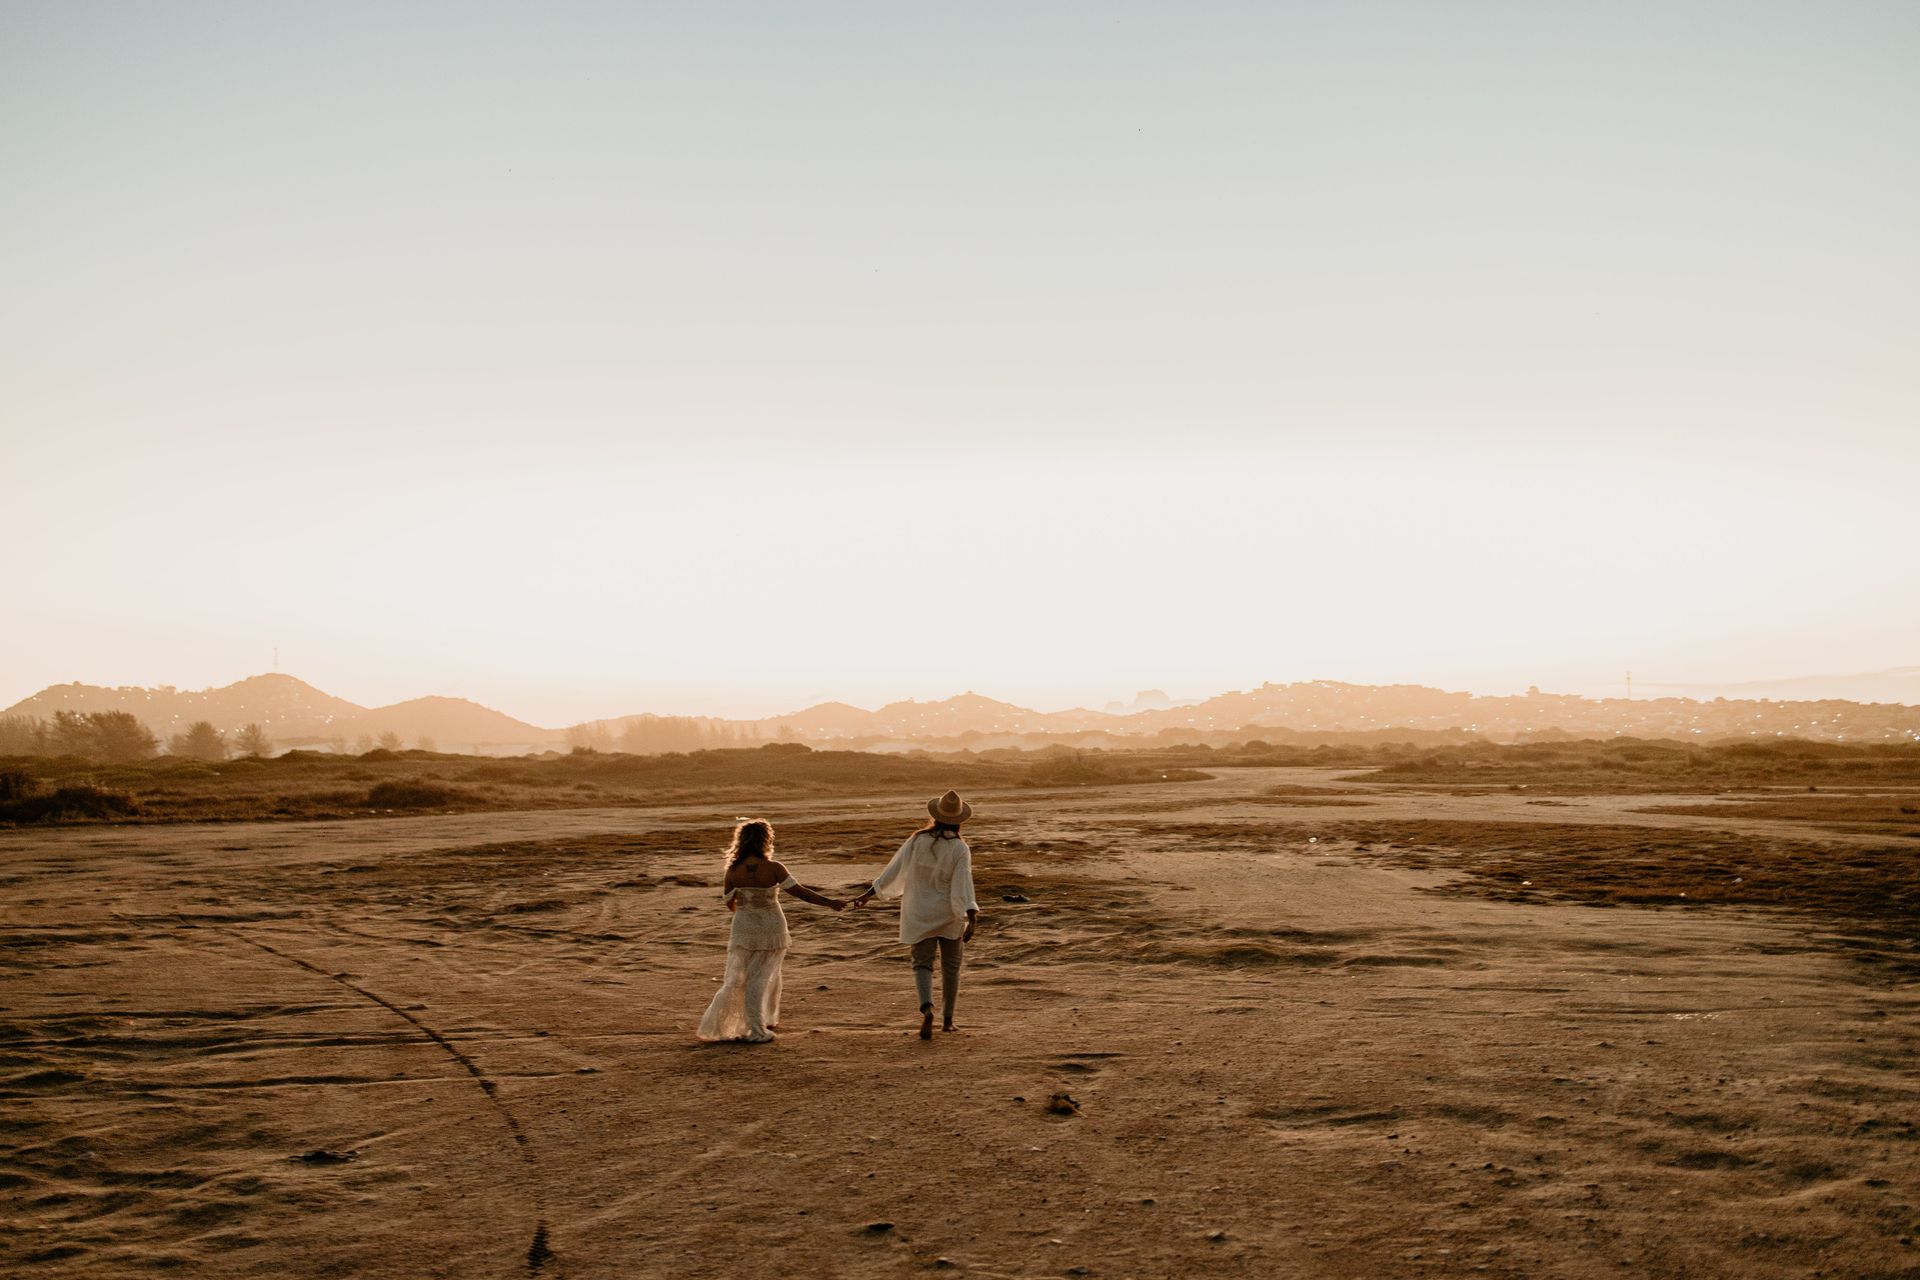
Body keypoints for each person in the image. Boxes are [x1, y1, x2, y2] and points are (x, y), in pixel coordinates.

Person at [697, 818, 845, 1043]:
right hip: (771, 926)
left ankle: (754, 1021)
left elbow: (729, 902)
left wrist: (747, 910)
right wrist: (830, 902)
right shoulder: (774, 868)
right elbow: (801, 893)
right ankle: (757, 1029)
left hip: (743, 927)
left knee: (739, 977)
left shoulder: (733, 870)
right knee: (763, 976)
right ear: (766, 840)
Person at [850, 790, 979, 1040]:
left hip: (919, 911)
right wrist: (972, 915)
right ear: (959, 820)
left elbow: (893, 870)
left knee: (922, 964)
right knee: (951, 967)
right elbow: (964, 883)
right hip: (949, 913)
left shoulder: (917, 840)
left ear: (936, 816)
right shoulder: (960, 848)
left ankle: (927, 1009)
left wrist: (869, 894)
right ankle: (948, 1021)